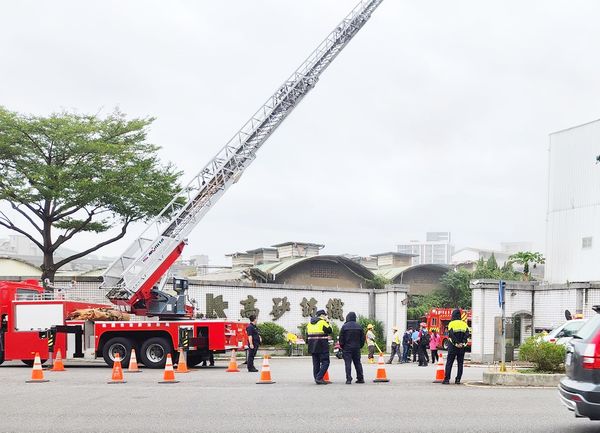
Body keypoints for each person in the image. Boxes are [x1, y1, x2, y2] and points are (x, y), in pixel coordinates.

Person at [443, 308, 470, 384]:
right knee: (460, 364)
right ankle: (458, 380)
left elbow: (451, 335)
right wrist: (463, 343)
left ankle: (447, 379)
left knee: (449, 363)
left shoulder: (451, 324)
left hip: (453, 347)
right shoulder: (464, 324)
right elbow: (467, 335)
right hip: (462, 348)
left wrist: (456, 343)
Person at [307, 309, 333, 384]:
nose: (326, 316)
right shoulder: (322, 322)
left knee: (316, 363)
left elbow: (307, 336)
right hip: (322, 346)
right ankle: (319, 378)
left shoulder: (309, 323)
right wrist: (327, 321)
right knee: (326, 362)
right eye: (325, 315)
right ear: (322, 315)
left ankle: (317, 378)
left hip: (312, 346)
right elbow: (330, 330)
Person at [338, 311, 365, 384]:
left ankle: (348, 379)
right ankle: (360, 378)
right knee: (358, 363)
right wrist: (360, 346)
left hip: (347, 348)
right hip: (356, 348)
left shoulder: (344, 326)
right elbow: (363, 338)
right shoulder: (359, 326)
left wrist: (342, 346)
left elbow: (341, 338)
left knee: (348, 363)